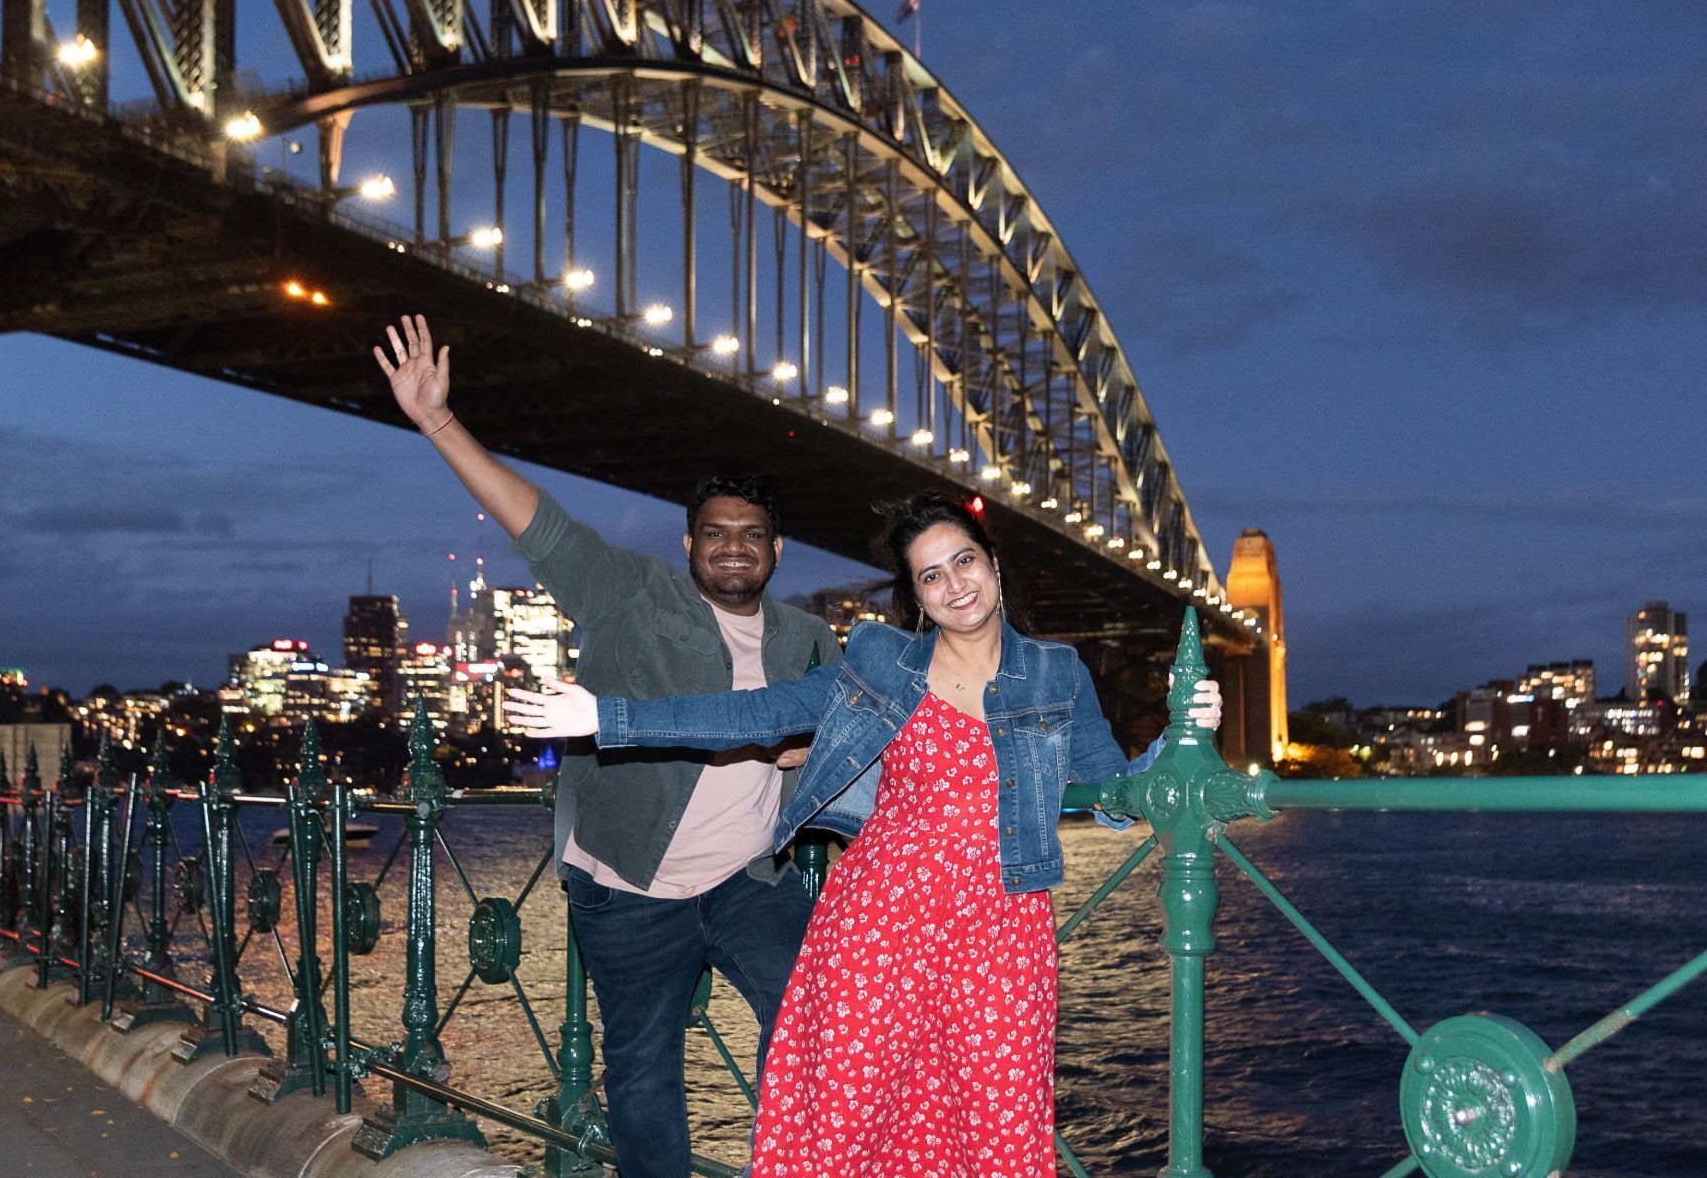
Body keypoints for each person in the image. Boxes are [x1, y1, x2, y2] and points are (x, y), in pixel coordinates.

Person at [506, 491, 1222, 1176]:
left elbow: (1114, 796)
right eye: (931, 575)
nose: (955, 584)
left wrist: (1184, 737)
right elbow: (759, 713)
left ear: (994, 566)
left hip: (1000, 933)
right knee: (847, 1120)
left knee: (997, 1125)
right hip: (877, 924)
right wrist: (614, 719)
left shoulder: (1057, 674)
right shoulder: (884, 663)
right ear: (918, 597)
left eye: (965, 561)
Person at [375, 315, 843, 1178]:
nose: (733, 547)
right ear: (689, 543)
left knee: (822, 1025)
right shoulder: (630, 593)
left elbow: (844, 742)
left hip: (749, 879)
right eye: (716, 532)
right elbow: (541, 525)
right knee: (640, 1069)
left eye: (752, 535)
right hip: (629, 886)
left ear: (776, 551)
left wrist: (801, 754)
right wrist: (439, 420)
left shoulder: (810, 637)